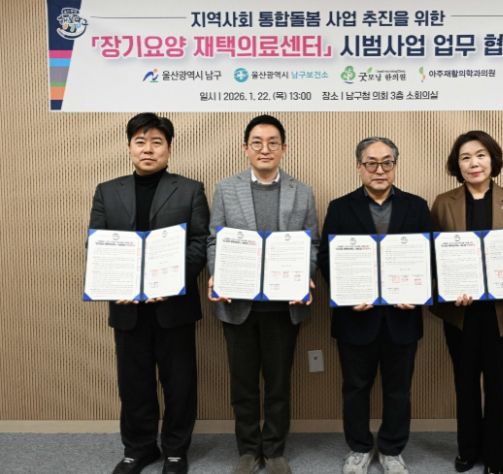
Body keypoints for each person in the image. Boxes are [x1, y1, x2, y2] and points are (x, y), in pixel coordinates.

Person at [88, 113, 209, 474]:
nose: (148, 149)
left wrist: (170, 282)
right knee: (133, 382)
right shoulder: (107, 191)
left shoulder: (190, 190)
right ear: (129, 147)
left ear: (168, 148)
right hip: (127, 307)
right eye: (140, 142)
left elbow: (200, 243)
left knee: (179, 382)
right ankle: (139, 448)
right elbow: (97, 244)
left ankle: (175, 450)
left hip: (174, 305)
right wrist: (116, 284)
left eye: (157, 142)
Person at [206, 114, 319, 474]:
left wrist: (305, 276)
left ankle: (274, 449)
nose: (265, 149)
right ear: (246, 148)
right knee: (242, 384)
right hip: (238, 303)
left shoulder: (302, 191)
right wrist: (217, 274)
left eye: (273, 142)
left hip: (283, 306)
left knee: (278, 383)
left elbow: (311, 243)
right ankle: (247, 450)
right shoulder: (226, 189)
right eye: (257, 142)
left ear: (283, 148)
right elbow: (215, 239)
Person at [318, 137, 432, 474]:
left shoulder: (417, 206)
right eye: (371, 163)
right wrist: (347, 294)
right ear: (359, 167)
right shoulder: (340, 207)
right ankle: (359, 447)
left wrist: (418, 292)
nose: (379, 170)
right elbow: (326, 257)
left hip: (403, 316)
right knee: (355, 388)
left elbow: (428, 257)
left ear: (395, 166)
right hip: (356, 317)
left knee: (399, 389)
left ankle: (392, 449)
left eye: (387, 162)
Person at [430, 131, 503, 474]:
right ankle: (468, 450)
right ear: (456, 165)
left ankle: (496, 457)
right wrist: (448, 288)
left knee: (498, 386)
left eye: (480, 155)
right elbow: (434, 257)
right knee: (465, 383)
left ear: (493, 159)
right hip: (461, 312)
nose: (473, 163)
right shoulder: (443, 202)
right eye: (465, 157)